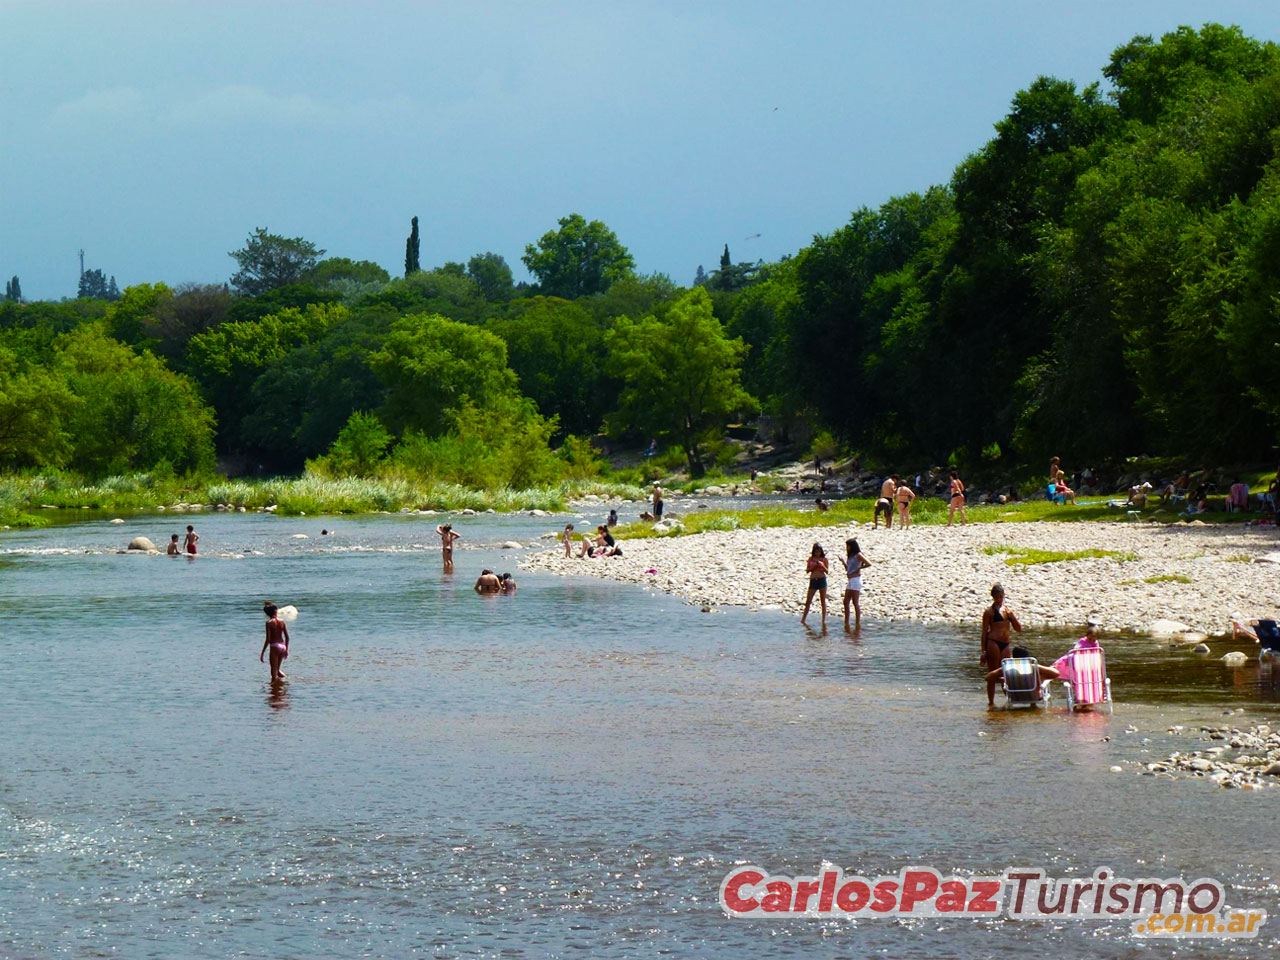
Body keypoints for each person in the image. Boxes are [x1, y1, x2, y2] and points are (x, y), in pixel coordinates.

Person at [980, 583, 1022, 707]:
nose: (999, 599)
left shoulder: (1008, 611)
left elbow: (1018, 629)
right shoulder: (989, 612)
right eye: (996, 597)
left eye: (1001, 597)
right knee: (993, 673)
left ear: (1004, 596)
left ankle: (1010, 700)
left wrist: (1012, 617)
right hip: (993, 643)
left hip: (1005, 644)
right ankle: (991, 703)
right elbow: (984, 632)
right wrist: (983, 651)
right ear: (993, 597)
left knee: (1006, 673)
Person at [985, 646, 1060, 703]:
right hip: (1033, 696)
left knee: (1034, 678)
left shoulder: (1007, 668)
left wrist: (1004, 680)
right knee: (1037, 679)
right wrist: (1041, 677)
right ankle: (1033, 705)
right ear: (1027, 657)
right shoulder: (1032, 666)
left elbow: (988, 677)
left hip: (1014, 697)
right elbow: (1056, 674)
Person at [840, 538, 870, 632]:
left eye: (848, 546)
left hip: (856, 579)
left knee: (855, 602)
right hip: (851, 579)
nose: (847, 548)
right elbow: (848, 568)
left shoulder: (858, 555)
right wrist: (843, 562)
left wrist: (859, 568)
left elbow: (868, 563)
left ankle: (857, 622)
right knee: (846, 601)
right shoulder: (851, 556)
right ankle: (847, 622)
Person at [800, 543, 829, 628]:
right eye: (816, 552)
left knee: (822, 601)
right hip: (813, 580)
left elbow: (827, 571)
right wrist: (814, 566)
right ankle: (803, 619)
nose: (817, 553)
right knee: (808, 601)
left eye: (819, 552)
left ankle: (823, 620)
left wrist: (822, 565)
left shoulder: (824, 559)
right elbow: (807, 570)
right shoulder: (811, 559)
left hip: (822, 580)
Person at [259, 601, 290, 682]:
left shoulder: (269, 623)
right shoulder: (282, 621)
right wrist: (286, 649)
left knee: (273, 675)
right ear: (276, 610)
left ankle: (275, 692)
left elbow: (268, 639)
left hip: (275, 646)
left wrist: (262, 652)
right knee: (278, 671)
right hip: (282, 646)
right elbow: (287, 637)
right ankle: (287, 682)